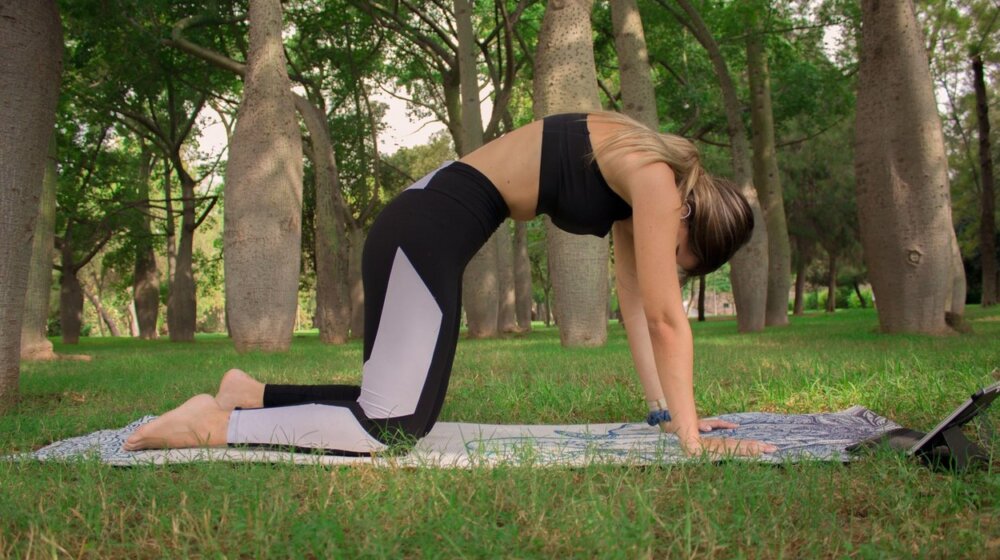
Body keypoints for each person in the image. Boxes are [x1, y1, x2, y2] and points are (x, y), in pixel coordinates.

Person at [124, 112, 777, 457]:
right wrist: (694, 443)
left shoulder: (639, 177)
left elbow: (635, 308)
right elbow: (666, 317)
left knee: (395, 407)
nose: (671, 262)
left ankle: (249, 395)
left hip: (422, 227)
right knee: (393, 428)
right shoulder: (659, 181)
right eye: (684, 256)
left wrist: (669, 415)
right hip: (424, 234)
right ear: (693, 216)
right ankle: (213, 426)